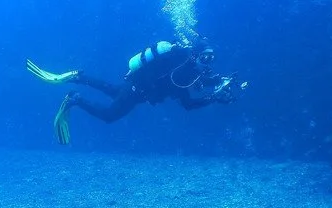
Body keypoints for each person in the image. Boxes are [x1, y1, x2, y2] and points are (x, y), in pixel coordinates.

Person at [26, 38, 247, 144]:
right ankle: (74, 98)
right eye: (205, 58)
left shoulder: (188, 69)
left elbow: (197, 84)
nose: (207, 63)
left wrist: (214, 88)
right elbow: (187, 102)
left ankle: (79, 77)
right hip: (137, 89)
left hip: (136, 86)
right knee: (109, 116)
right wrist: (212, 98)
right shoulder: (183, 71)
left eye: (211, 59)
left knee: (113, 91)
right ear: (195, 56)